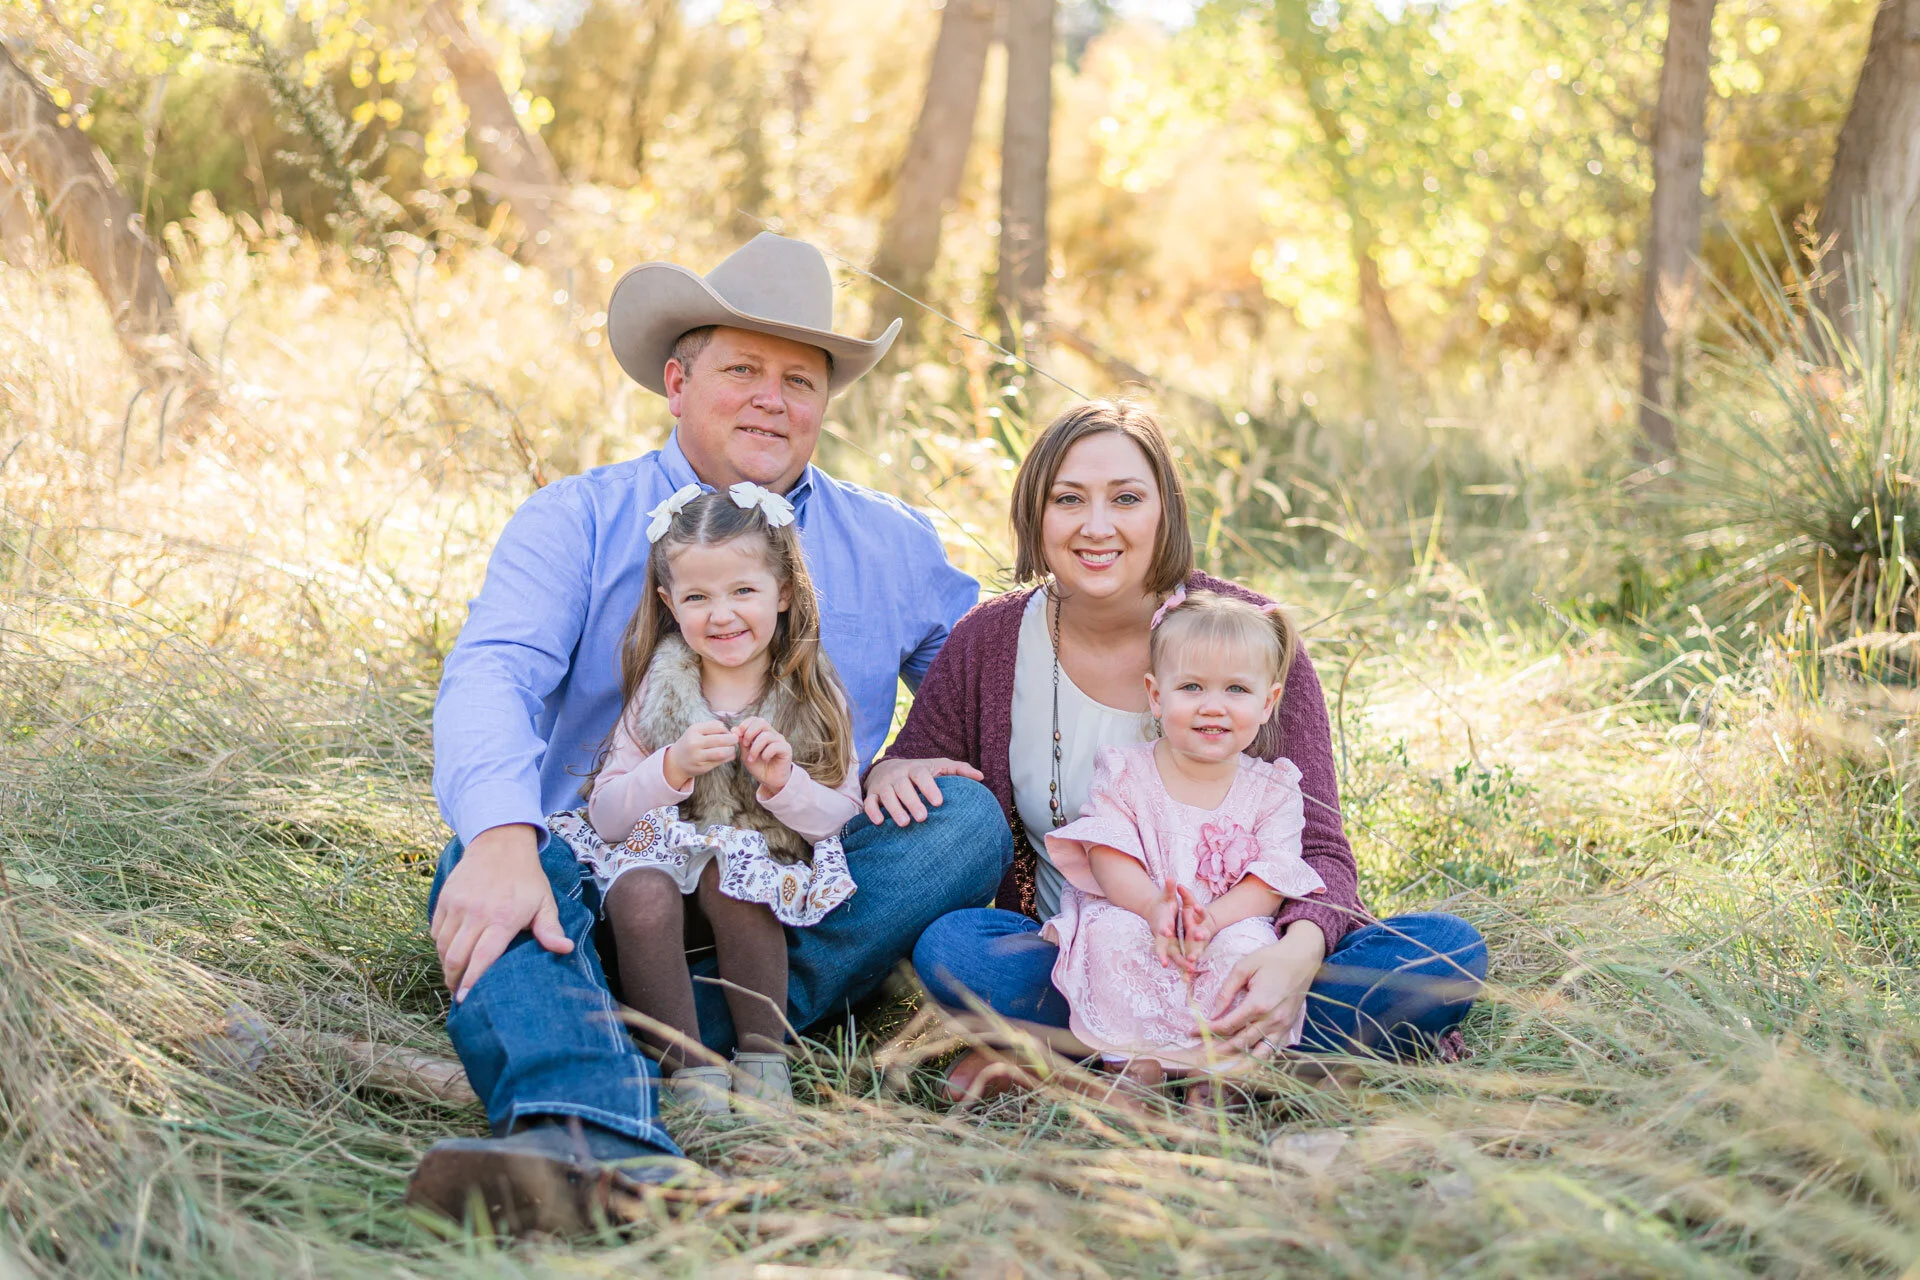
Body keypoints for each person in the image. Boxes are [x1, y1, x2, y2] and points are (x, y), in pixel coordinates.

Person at [410, 233, 1006, 1234]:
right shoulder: (576, 518)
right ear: (678, 382)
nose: (774, 398)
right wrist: (507, 837)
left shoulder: (892, 540)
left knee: (967, 822)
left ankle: (612, 1023)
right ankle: (591, 1130)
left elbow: (987, 670)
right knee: (486, 846)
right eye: (744, 370)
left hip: (784, 881)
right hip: (609, 874)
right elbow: (492, 675)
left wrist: (917, 744)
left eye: (800, 379)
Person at [880, 400, 1487, 1103]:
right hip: (1089, 960)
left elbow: (1320, 852)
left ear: (1163, 510)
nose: (1097, 526)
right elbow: (913, 760)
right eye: (1068, 499)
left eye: (1127, 498)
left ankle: (1113, 1060)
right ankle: (1251, 1066)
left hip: (1243, 956)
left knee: (1445, 951)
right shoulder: (988, 642)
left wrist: (1296, 957)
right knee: (954, 950)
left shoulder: (1246, 638)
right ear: (1034, 515)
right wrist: (894, 769)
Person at [549, 483, 862, 1116]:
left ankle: (762, 1059)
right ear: (670, 603)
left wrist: (783, 785)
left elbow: (842, 818)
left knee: (731, 873)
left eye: (743, 591)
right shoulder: (662, 688)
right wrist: (670, 766)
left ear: (784, 591)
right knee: (640, 890)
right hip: (655, 874)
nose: (721, 616)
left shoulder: (810, 692)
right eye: (698, 597)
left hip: (750, 887)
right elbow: (607, 817)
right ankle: (689, 1073)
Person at [1041, 589, 1328, 1102]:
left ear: (1268, 702)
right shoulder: (1125, 770)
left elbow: (1270, 882)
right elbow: (1108, 853)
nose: (1212, 706)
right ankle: (1134, 1062)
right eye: (1191, 686)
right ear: (1156, 695)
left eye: (1236, 689)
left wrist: (1211, 920)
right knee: (1110, 935)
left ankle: (1218, 1073)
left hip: (1226, 922)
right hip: (1139, 914)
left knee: (1249, 949)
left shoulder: (1275, 787)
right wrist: (1154, 906)